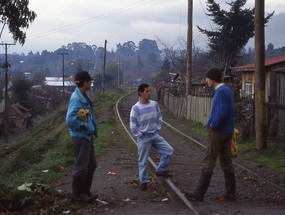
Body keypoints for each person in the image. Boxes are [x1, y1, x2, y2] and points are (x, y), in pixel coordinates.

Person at [184, 67, 236, 201]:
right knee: (226, 162)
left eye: (207, 78)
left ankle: (199, 192)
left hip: (218, 131)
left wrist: (214, 123)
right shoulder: (226, 91)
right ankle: (230, 193)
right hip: (227, 131)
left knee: (209, 160)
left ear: (213, 78)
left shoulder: (221, 92)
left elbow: (222, 111)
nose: (206, 80)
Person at [130, 83, 174, 191]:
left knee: (169, 150)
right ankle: (143, 182)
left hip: (155, 135)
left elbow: (159, 117)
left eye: (150, 91)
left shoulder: (154, 104)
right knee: (143, 161)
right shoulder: (135, 108)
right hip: (144, 137)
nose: (150, 93)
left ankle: (160, 170)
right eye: (147, 91)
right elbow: (133, 126)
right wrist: (141, 135)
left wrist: (157, 129)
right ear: (141, 93)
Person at [66, 71, 98, 202]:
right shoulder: (76, 98)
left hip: (87, 136)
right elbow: (69, 119)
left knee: (92, 164)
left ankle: (86, 192)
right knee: (82, 165)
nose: (91, 83)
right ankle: (78, 195)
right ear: (85, 83)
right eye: (90, 81)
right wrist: (82, 125)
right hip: (81, 136)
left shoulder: (83, 96)